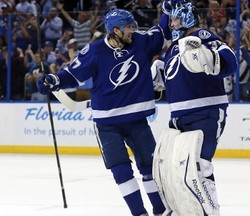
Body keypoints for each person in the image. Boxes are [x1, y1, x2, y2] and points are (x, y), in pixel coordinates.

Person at [36, 8, 171, 216]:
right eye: (128, 27)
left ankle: (161, 211)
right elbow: (72, 74)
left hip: (137, 120)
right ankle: (139, 213)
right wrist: (54, 80)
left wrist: (167, 10)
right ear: (115, 30)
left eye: (133, 26)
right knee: (121, 171)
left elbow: (162, 31)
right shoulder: (95, 51)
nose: (132, 31)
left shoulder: (141, 42)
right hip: (107, 124)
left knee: (150, 168)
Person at [152, 1, 237, 215]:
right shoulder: (173, 49)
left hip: (206, 112)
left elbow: (230, 61)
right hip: (178, 117)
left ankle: (210, 212)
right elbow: (174, 77)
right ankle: (181, 210)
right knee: (176, 170)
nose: (171, 24)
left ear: (187, 18)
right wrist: (157, 77)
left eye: (175, 19)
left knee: (198, 166)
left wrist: (211, 57)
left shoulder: (203, 36)